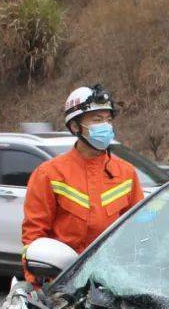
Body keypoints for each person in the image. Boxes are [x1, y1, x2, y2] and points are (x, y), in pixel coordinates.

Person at [22, 84, 144, 273]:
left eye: (108, 120)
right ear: (74, 126)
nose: (106, 126)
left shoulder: (126, 173)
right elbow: (34, 237)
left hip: (114, 282)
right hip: (65, 284)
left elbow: (139, 231)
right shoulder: (49, 174)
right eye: (97, 120)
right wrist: (40, 282)